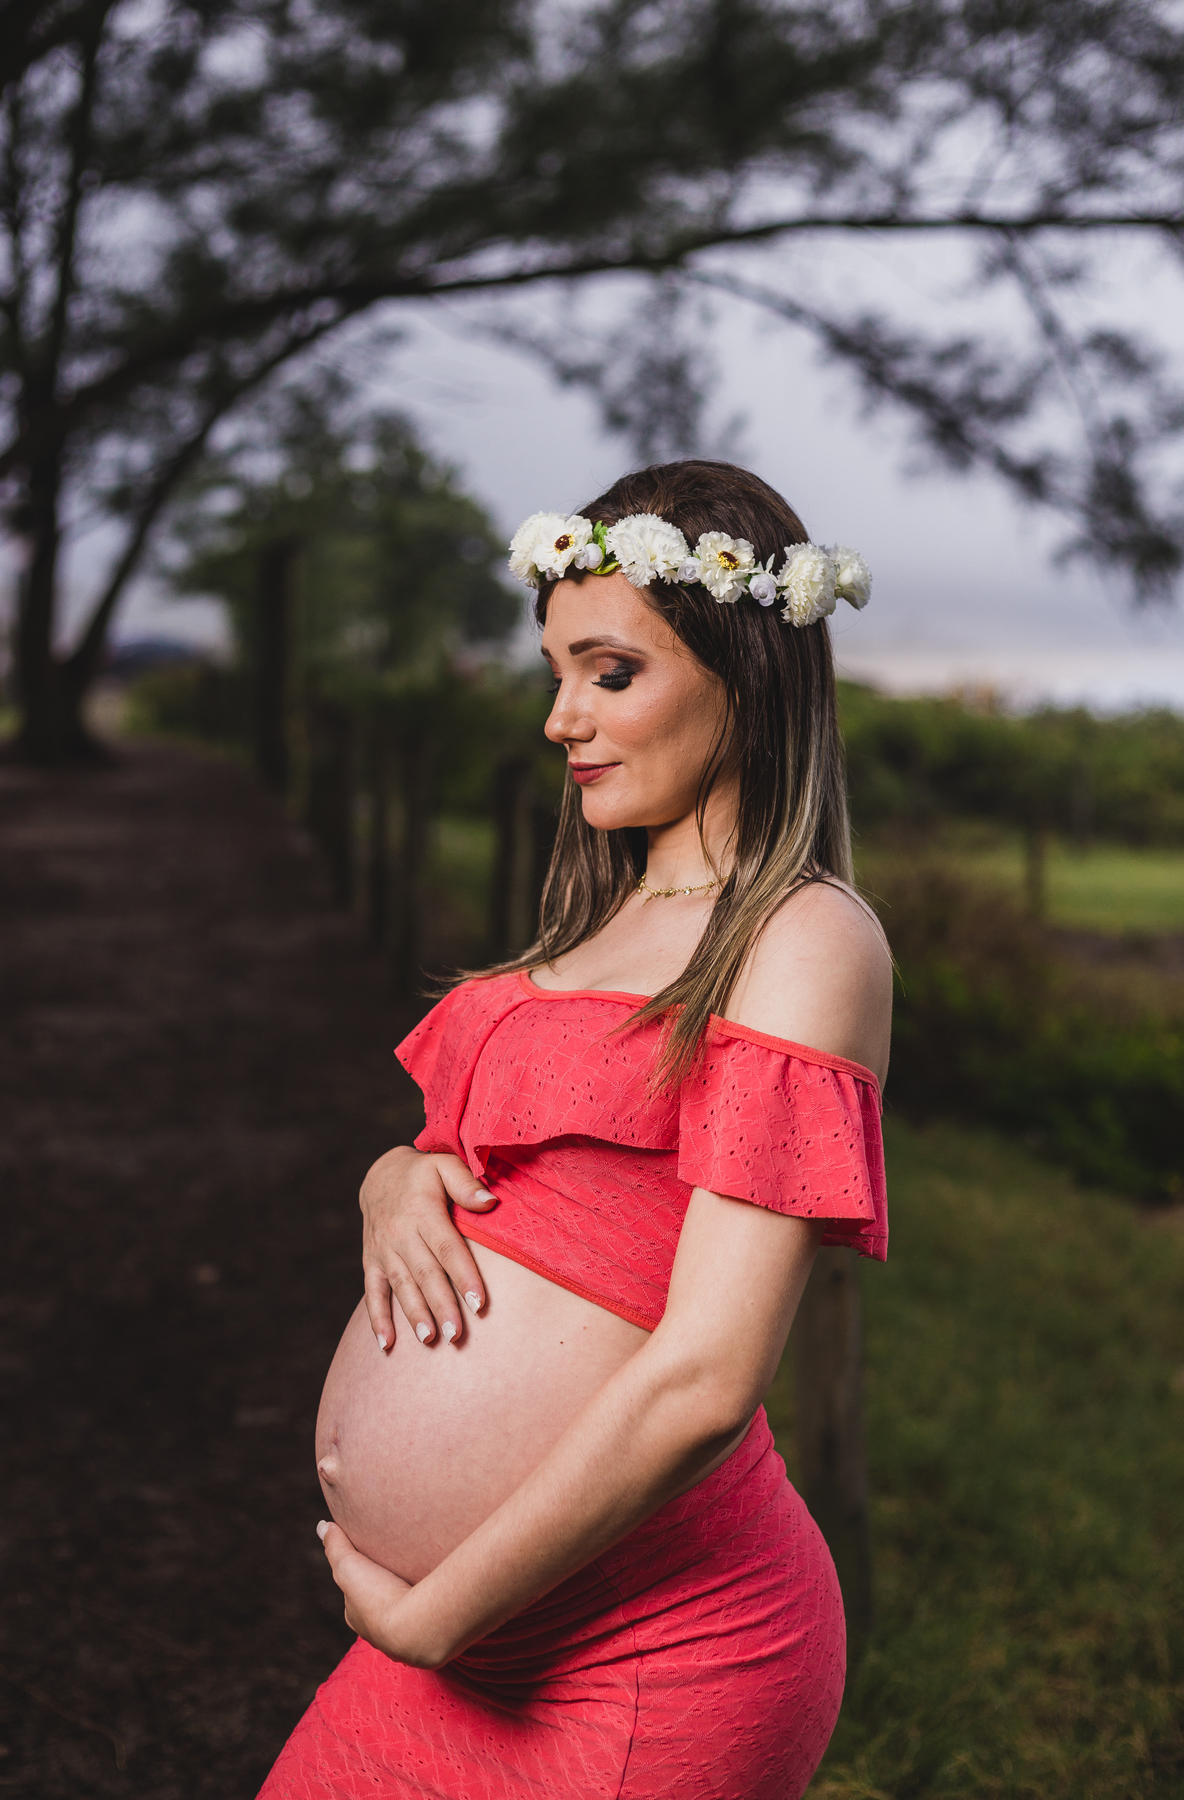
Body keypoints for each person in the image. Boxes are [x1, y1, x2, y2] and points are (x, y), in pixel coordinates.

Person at [258, 459, 891, 1800]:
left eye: (610, 673)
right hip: (468, 1645)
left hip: (646, 1652)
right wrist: (391, 1179)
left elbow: (707, 1379)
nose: (562, 719)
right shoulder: (598, 918)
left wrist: (438, 1612)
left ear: (749, 675)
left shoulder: (799, 936)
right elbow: (509, 1178)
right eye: (555, 672)